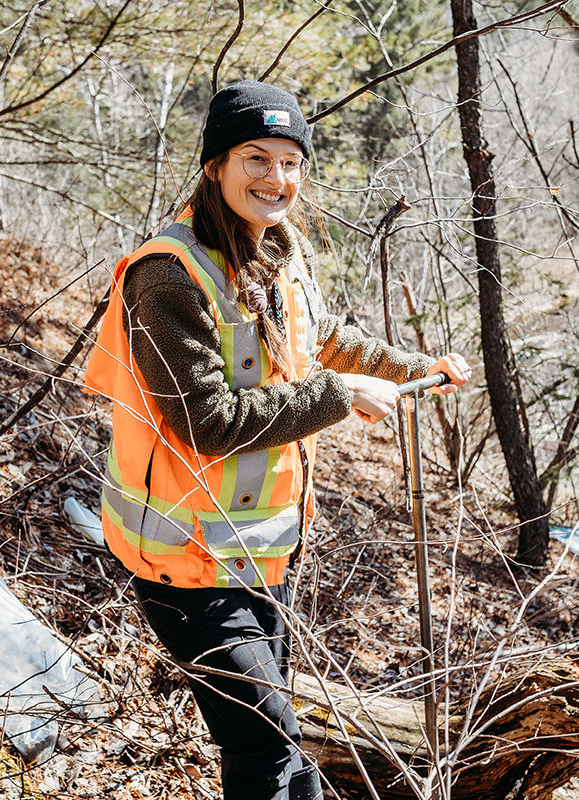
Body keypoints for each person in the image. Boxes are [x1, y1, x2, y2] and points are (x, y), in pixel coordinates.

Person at [85, 81, 471, 800]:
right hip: (188, 565)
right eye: (256, 158)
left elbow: (322, 341)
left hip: (263, 551)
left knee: (276, 746)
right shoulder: (168, 275)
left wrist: (420, 370)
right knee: (267, 748)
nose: (277, 178)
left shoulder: (276, 251)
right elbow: (206, 422)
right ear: (214, 166)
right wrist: (339, 397)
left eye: (291, 162)